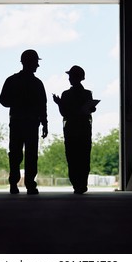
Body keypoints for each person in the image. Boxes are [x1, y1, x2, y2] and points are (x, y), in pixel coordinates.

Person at [0, 49, 48, 195]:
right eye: (36, 62)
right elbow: (42, 106)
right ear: (29, 63)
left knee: (15, 154)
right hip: (30, 124)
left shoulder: (12, 80)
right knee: (30, 155)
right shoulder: (37, 83)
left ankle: (14, 184)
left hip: (17, 122)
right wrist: (45, 124)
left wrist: (16, 101)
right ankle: (30, 185)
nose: (37, 66)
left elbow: (3, 100)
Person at [53, 65, 97, 194]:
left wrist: (60, 103)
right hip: (83, 128)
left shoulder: (66, 94)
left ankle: (78, 184)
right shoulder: (87, 93)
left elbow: (64, 113)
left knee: (73, 157)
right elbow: (89, 110)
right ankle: (81, 184)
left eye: (71, 76)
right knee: (83, 156)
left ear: (76, 78)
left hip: (72, 129)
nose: (69, 79)